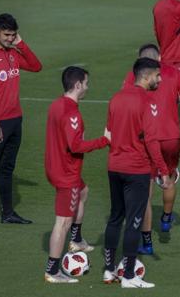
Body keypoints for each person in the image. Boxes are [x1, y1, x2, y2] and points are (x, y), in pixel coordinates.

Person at [103, 58, 170, 288]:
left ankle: (109, 270)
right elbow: (151, 140)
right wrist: (162, 170)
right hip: (137, 169)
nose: (160, 80)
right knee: (134, 221)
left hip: (114, 166)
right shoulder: (147, 101)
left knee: (115, 218)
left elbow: (109, 132)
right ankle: (129, 276)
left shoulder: (116, 98)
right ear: (145, 76)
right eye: (157, 76)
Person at [122, 44, 180, 255]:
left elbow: (125, 103)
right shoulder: (172, 72)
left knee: (146, 190)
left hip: (147, 139)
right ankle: (165, 218)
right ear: (160, 57)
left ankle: (146, 242)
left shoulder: (133, 76)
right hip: (171, 137)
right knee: (169, 178)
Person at [0, 13, 42, 228]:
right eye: (6, 35)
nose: (10, 38)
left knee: (7, 169)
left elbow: (36, 66)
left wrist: (22, 43)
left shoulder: (13, 53)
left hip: (15, 120)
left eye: (13, 35)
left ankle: (8, 213)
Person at [44, 67, 110, 283]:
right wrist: (104, 140)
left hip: (56, 166)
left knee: (84, 192)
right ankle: (52, 271)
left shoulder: (56, 104)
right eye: (86, 83)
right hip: (66, 173)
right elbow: (76, 145)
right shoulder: (72, 112)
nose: (88, 87)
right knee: (62, 222)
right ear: (78, 85)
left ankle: (77, 240)